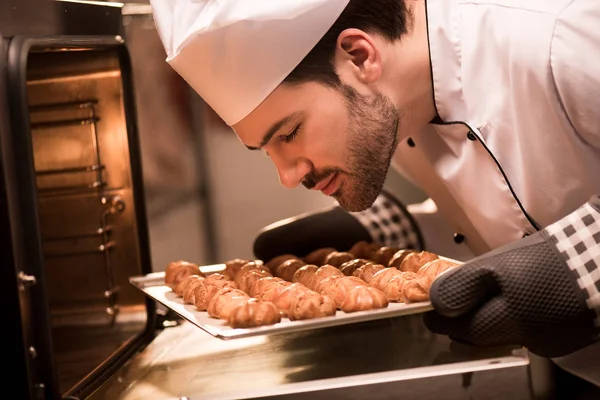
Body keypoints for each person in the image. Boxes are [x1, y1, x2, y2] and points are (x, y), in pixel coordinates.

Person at [149, 0, 600, 387]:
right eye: (265, 151)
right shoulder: (392, 109)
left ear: (359, 56)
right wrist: (398, 234)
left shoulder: (559, 36)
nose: (287, 176)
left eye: (289, 132)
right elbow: (512, 211)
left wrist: (584, 269)